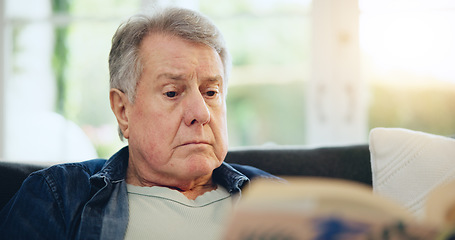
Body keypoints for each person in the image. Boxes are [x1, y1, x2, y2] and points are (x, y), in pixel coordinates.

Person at [0, 7, 278, 240]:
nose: (201, 113)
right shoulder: (57, 198)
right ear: (123, 110)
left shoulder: (279, 199)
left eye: (211, 92)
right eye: (172, 92)